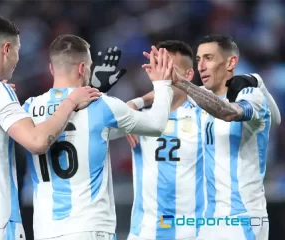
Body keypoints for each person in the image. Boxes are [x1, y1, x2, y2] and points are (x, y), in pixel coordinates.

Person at [0, 16, 100, 240]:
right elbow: (37, 142)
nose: (17, 59)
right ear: (7, 48)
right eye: (18, 51)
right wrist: (69, 103)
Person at [22, 34, 174, 240]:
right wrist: (163, 84)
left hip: (45, 231)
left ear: (51, 68)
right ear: (83, 68)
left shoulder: (28, 108)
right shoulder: (103, 105)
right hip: (89, 227)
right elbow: (156, 125)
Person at [167, 34, 280, 240]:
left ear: (231, 62)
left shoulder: (250, 96)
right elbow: (170, 97)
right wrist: (136, 103)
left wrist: (259, 84)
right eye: (198, 59)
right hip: (210, 221)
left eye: (208, 58)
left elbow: (228, 112)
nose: (200, 66)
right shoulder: (200, 97)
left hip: (243, 219)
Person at [125, 40, 204, 240]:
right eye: (160, 68)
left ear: (188, 76)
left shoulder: (205, 116)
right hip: (144, 233)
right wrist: (135, 102)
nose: (164, 76)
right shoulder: (136, 117)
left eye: (170, 69)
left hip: (193, 233)